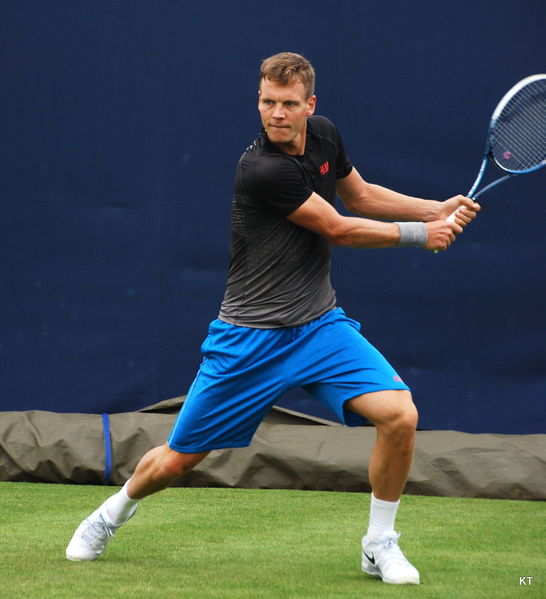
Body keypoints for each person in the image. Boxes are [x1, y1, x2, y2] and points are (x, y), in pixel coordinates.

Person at [66, 52, 480, 585]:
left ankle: (379, 544)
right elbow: (338, 228)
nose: (276, 114)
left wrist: (433, 208)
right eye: (267, 102)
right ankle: (111, 513)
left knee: (400, 416)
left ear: (311, 105)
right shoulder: (261, 168)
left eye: (288, 104)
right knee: (176, 461)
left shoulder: (326, 136)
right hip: (249, 340)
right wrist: (423, 234)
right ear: (258, 101)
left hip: (319, 327)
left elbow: (361, 195)